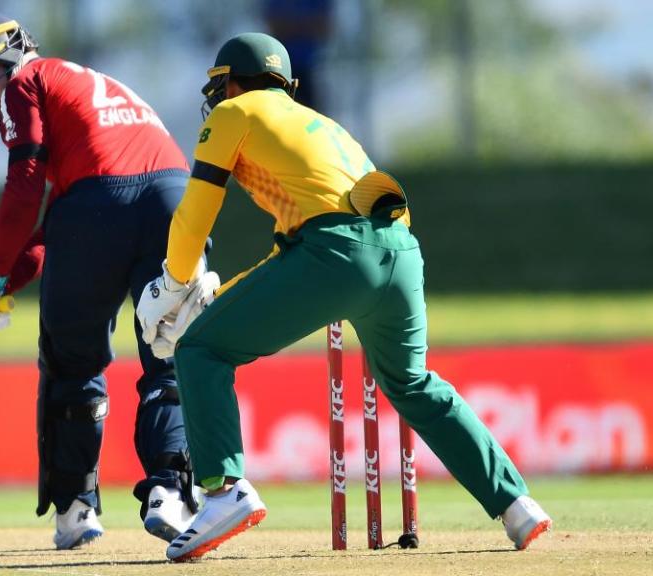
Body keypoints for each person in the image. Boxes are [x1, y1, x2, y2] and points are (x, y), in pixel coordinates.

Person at [136, 32, 553, 562]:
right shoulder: (322, 126)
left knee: (200, 350)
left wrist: (173, 282)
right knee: (413, 382)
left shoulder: (235, 113)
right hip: (399, 251)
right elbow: (302, 244)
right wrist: (225, 294)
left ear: (235, 82)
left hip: (334, 253)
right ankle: (516, 504)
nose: (217, 99)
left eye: (221, 87)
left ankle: (223, 494)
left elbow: (197, 211)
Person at [0, 9, 215, 550]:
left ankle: (77, 506)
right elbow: (61, 221)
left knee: (72, 360)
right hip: (176, 199)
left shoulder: (25, 83)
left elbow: (29, 184)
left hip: (102, 204)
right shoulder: (92, 84)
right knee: (170, 351)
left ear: (10, 46)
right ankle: (171, 493)